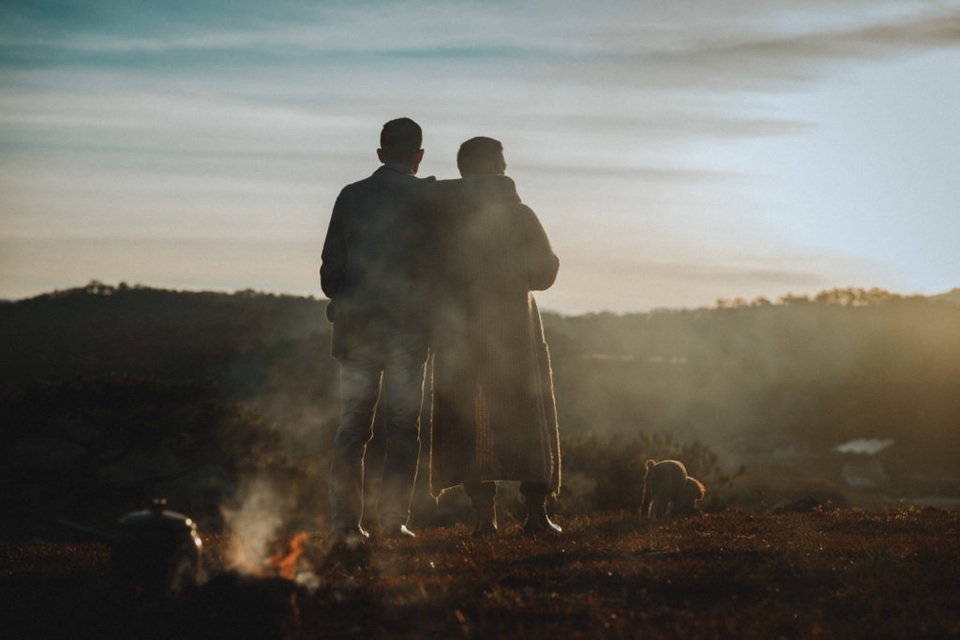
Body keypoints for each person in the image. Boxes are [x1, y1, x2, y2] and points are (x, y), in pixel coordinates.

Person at [430, 136, 562, 536]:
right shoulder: (519, 215)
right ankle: (536, 516)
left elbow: (427, 274)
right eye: (501, 162)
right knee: (528, 417)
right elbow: (545, 274)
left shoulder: (443, 219)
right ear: (488, 166)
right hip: (513, 331)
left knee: (469, 418)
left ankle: (484, 518)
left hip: (459, 335)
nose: (506, 169)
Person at [320, 117, 437, 544]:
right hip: (409, 330)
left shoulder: (351, 196)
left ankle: (344, 524)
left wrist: (353, 294)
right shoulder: (428, 197)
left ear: (379, 153)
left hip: (357, 331)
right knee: (404, 427)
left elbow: (330, 274)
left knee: (352, 427)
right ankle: (394, 521)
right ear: (418, 156)